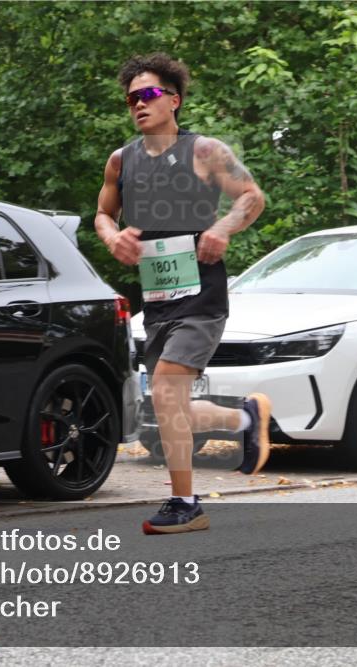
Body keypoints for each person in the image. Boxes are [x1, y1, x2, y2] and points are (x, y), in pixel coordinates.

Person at [93, 53, 271, 535]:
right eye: (131, 97)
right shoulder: (120, 160)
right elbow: (102, 215)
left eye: (147, 94)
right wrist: (114, 238)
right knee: (169, 406)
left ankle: (186, 503)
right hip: (158, 295)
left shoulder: (205, 151)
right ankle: (244, 419)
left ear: (173, 99)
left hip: (203, 291)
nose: (138, 104)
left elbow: (252, 196)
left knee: (167, 390)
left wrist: (223, 228)